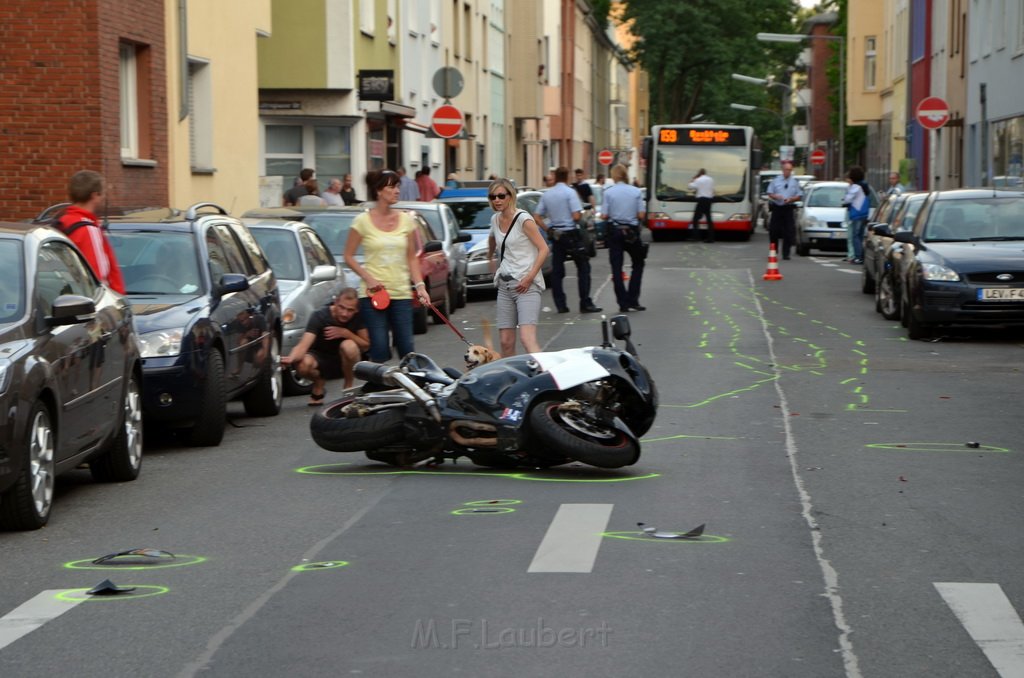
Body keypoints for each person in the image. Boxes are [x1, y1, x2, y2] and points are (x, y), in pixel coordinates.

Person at [344, 170, 429, 362]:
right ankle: (381, 388)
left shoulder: (406, 220)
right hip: (373, 294)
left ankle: (411, 389)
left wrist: (420, 286)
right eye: (392, 187)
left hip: (401, 293)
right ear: (378, 191)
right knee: (380, 348)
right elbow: (348, 256)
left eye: (398, 186)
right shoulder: (362, 221)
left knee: (407, 349)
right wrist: (368, 278)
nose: (397, 191)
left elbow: (412, 258)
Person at [486, 178, 550, 356]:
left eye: (501, 196)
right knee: (505, 342)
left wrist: (529, 277)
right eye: (493, 197)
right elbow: (493, 238)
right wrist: (490, 256)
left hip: (526, 286)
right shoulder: (495, 219)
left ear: (510, 196)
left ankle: (547, 377)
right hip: (505, 286)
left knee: (527, 339)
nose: (497, 200)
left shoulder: (524, 219)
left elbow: (544, 249)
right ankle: (511, 382)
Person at [281, 288, 370, 404]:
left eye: (350, 310)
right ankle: (319, 382)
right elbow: (303, 345)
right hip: (320, 357)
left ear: (356, 310)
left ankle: (348, 388)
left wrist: (345, 333)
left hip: (346, 360)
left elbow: (366, 345)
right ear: (336, 302)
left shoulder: (358, 318)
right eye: (341, 307)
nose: (344, 313)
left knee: (349, 345)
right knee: (303, 365)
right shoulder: (320, 315)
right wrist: (291, 359)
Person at [534, 166, 602, 314]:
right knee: (583, 267)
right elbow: (577, 216)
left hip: (556, 235)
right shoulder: (570, 193)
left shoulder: (547, 195)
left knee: (557, 271)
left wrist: (548, 230)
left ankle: (561, 305)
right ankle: (585, 303)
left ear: (556, 177)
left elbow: (537, 217)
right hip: (571, 234)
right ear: (567, 177)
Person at [56, 170, 125, 294]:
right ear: (94, 196)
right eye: (102, 194)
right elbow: (99, 276)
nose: (104, 198)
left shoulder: (63, 221)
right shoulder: (89, 230)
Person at [601, 164, 647, 313]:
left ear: (614, 176)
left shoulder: (608, 192)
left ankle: (623, 303)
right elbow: (641, 215)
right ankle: (633, 299)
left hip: (615, 231)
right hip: (631, 231)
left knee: (616, 268)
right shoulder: (635, 191)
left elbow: (604, 215)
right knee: (638, 263)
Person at [765, 160, 803, 260]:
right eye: (786, 170)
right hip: (777, 208)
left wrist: (791, 199)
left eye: (790, 170)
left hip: (788, 208)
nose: (788, 172)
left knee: (788, 231)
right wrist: (775, 196)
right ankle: (774, 250)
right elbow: (769, 193)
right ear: (782, 170)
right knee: (774, 231)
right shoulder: (776, 181)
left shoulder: (794, 182)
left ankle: (786, 253)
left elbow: (799, 195)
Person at [843, 166, 871, 264]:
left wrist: (844, 200)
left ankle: (858, 257)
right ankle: (862, 256)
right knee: (860, 236)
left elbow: (847, 199)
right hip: (864, 214)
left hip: (857, 214)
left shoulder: (856, 186)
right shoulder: (865, 185)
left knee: (855, 236)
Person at [688, 168, 715, 243]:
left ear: (699, 173)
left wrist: (693, 179)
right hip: (709, 200)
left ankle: (696, 236)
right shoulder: (711, 179)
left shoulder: (698, 180)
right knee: (709, 219)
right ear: (705, 173)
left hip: (701, 200)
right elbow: (712, 190)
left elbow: (690, 187)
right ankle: (710, 238)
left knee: (695, 219)